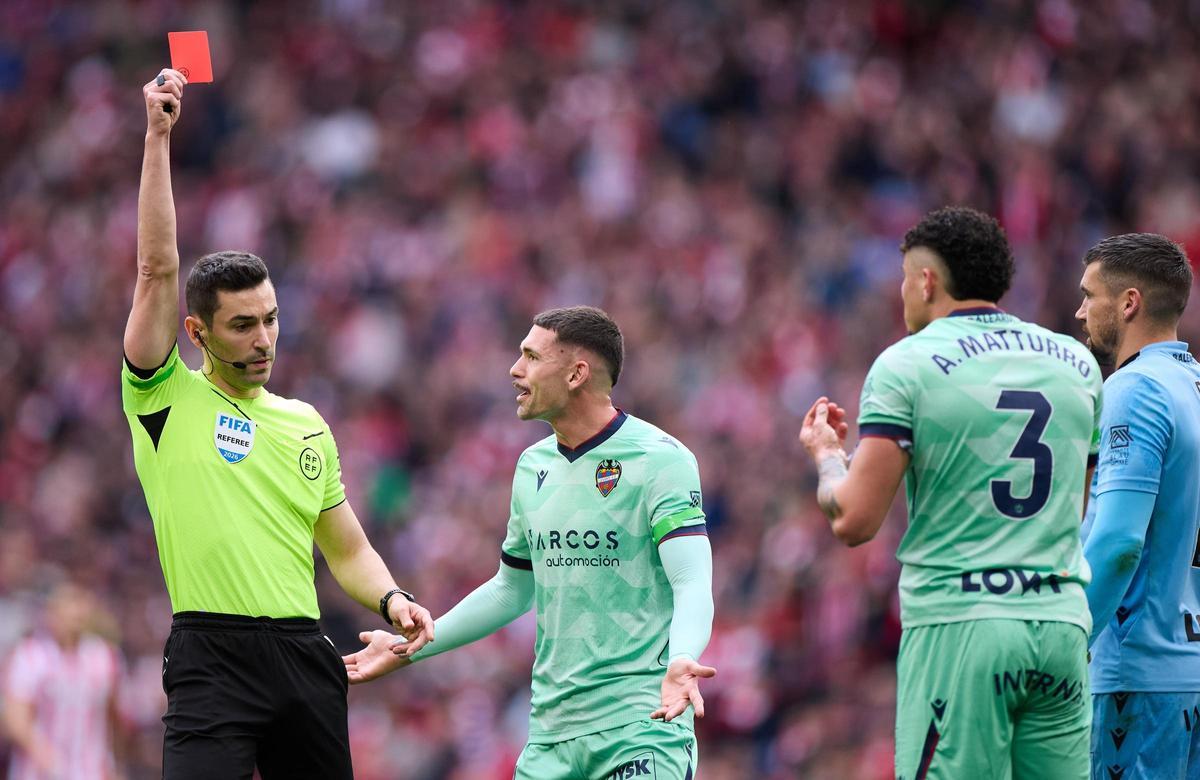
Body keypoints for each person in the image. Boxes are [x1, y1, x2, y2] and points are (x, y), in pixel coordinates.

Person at [121, 70, 433, 779]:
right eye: (241, 325)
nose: (263, 339)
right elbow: (154, 269)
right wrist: (159, 136)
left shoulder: (304, 424)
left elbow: (346, 549)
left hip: (303, 655)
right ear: (197, 331)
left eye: (270, 319)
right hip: (212, 657)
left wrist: (394, 599)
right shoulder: (164, 398)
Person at [342, 306, 716, 779]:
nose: (515, 370)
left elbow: (692, 579)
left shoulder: (660, 460)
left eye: (531, 357)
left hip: (640, 724)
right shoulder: (532, 466)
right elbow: (512, 589)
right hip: (550, 737)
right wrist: (410, 647)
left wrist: (684, 657)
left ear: (577, 373)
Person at [799, 207, 1101, 779]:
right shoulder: (1077, 363)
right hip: (1061, 627)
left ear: (927, 281)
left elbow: (854, 520)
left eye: (904, 278)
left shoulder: (906, 364)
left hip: (962, 627)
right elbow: (1075, 507)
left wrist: (827, 457)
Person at [1075, 233, 1200, 780]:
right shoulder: (1193, 385)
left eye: (1089, 295)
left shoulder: (1135, 389)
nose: (1080, 311)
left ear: (1129, 303)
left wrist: (1067, 642)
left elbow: (1119, 542)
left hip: (1140, 677)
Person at [2, 582, 125, 780]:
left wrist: (116, 765)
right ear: (51, 612)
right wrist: (42, 752)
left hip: (91, 771)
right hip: (40, 772)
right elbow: (16, 717)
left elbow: (113, 716)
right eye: (68, 605)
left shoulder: (103, 656)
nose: (75, 613)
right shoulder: (30, 655)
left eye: (80, 604)